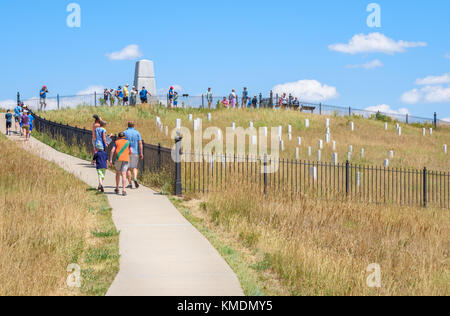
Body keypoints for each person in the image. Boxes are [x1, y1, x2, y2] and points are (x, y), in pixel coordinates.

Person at [109, 132, 133, 196]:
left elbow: (112, 151)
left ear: (119, 137)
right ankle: (124, 190)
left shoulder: (116, 142)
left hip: (118, 159)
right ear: (124, 137)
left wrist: (111, 160)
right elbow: (131, 151)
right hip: (126, 159)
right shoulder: (128, 142)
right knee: (124, 174)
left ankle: (117, 188)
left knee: (117, 173)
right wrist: (127, 154)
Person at [123, 122, 143, 189]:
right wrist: (141, 153)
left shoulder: (125, 132)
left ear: (128, 125)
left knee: (128, 168)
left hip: (127, 152)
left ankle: (130, 183)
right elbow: (140, 143)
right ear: (134, 125)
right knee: (134, 167)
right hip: (135, 152)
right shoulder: (137, 133)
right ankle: (135, 178)